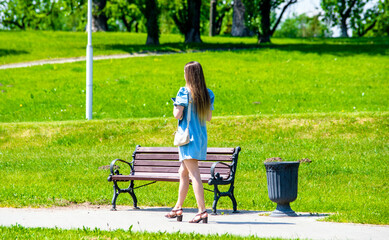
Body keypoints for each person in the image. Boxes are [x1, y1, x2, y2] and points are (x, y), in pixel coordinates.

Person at [165, 61, 215, 223]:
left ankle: (202, 211)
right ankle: (178, 207)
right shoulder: (208, 93)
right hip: (200, 138)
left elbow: (177, 115)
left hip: (187, 138)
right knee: (183, 172)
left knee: (194, 174)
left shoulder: (183, 92)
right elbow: (208, 117)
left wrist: (176, 106)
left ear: (188, 75)